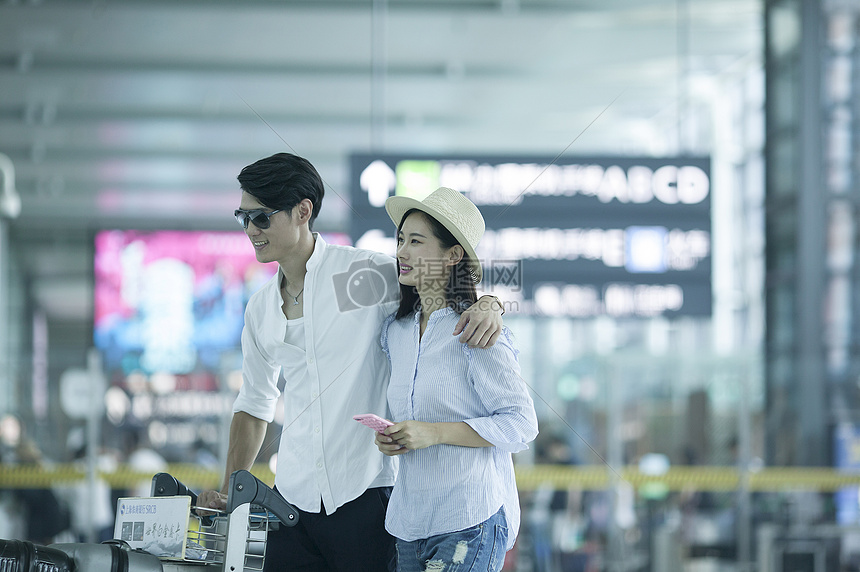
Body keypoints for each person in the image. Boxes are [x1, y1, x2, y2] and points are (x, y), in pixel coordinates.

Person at [197, 153, 505, 572]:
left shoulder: (359, 278)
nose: (251, 230)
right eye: (244, 217)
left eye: (262, 218)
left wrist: (491, 302)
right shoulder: (260, 310)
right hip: (291, 501)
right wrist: (232, 488)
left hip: (366, 498)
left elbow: (444, 280)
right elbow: (254, 404)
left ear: (303, 211)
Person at [374, 187, 538, 571]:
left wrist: (434, 432)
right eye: (400, 240)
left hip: (470, 517)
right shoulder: (394, 332)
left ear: (452, 255)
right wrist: (395, 437)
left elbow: (522, 424)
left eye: (416, 241)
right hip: (410, 522)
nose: (401, 251)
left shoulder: (476, 329)